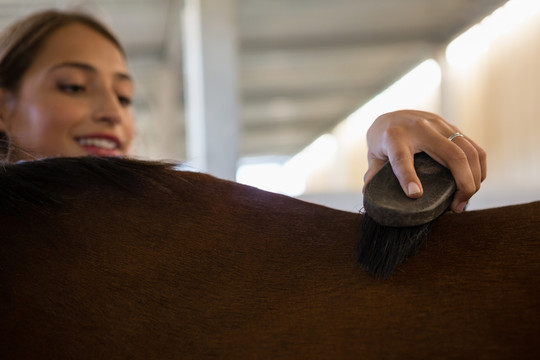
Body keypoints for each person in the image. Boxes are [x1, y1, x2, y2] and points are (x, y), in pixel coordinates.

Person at [0, 9, 486, 213]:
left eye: (125, 97)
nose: (112, 112)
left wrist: (388, 152)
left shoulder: (169, 223)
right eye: (73, 86)